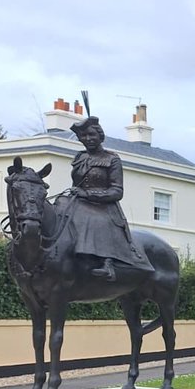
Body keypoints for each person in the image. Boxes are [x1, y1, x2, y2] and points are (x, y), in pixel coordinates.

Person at [56, 116, 154, 281]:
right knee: (57, 209)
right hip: (78, 201)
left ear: (100, 135)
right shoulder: (79, 158)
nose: (88, 139)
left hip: (103, 206)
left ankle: (107, 264)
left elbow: (117, 191)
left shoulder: (112, 159)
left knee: (93, 220)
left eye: (91, 135)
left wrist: (88, 194)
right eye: (84, 136)